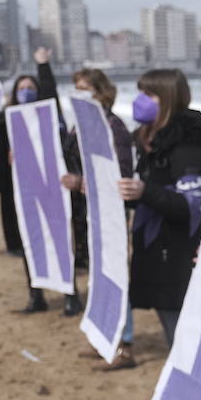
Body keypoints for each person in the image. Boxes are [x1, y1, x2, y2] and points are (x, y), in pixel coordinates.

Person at [118, 68, 201, 349]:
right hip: (155, 252)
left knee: (185, 335)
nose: (140, 100)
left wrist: (145, 191)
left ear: (168, 98)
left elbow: (189, 206)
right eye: (141, 92)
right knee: (172, 330)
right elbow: (151, 191)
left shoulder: (186, 145)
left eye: (149, 94)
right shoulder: (151, 143)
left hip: (176, 255)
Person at [0, 47, 82, 315]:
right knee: (31, 239)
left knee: (59, 238)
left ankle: (71, 294)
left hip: (51, 187)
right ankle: (35, 296)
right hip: (23, 190)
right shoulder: (7, 118)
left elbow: (51, 91)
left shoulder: (48, 114)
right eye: (22, 87)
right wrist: (5, 153)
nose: (26, 91)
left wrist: (43, 65)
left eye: (31, 87)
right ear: (15, 93)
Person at [61, 68, 138, 371]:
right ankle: (105, 334)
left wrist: (80, 182)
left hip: (110, 213)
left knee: (116, 272)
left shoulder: (113, 127)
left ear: (101, 91)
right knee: (98, 274)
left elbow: (119, 174)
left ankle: (125, 343)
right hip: (86, 211)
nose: (81, 94)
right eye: (77, 89)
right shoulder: (80, 126)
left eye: (86, 89)